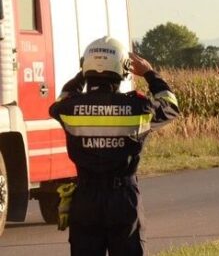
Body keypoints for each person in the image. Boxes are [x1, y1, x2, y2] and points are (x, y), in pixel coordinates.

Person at [50, 36, 179, 256]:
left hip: (85, 198)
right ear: (123, 70)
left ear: (85, 67)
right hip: (122, 198)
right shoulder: (138, 107)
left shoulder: (69, 108)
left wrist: (84, 71)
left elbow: (62, 98)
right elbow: (170, 105)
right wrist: (149, 72)